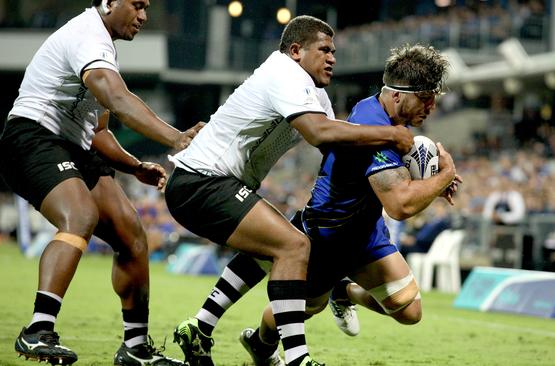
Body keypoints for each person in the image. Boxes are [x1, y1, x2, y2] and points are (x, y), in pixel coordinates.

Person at [165, 15, 414, 366]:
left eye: (334, 51)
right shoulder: (284, 73)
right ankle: (297, 359)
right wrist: (390, 134)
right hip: (202, 181)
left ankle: (199, 328)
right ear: (296, 51)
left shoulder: (314, 92)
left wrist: (393, 167)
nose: (333, 58)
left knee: (275, 243)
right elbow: (319, 133)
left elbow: (337, 141)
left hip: (211, 183)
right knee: (294, 244)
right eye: (324, 50)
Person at [0, 1, 202, 364]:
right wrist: (176, 138)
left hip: (72, 145)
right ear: (108, 2)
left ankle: (135, 349)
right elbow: (119, 99)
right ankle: (37, 331)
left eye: (147, 8)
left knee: (132, 235)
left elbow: (99, 133)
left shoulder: (103, 48)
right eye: (137, 5)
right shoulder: (87, 36)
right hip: (31, 137)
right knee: (80, 215)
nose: (144, 16)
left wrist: (134, 165)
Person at [237, 43, 460, 365]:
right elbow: (399, 206)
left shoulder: (392, 121)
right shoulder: (374, 126)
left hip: (365, 232)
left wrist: (432, 186)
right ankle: (260, 342)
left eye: (433, 98)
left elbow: (397, 192)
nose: (432, 106)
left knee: (410, 311)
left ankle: (342, 291)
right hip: (329, 236)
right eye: (425, 98)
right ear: (397, 95)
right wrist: (444, 176)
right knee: (305, 308)